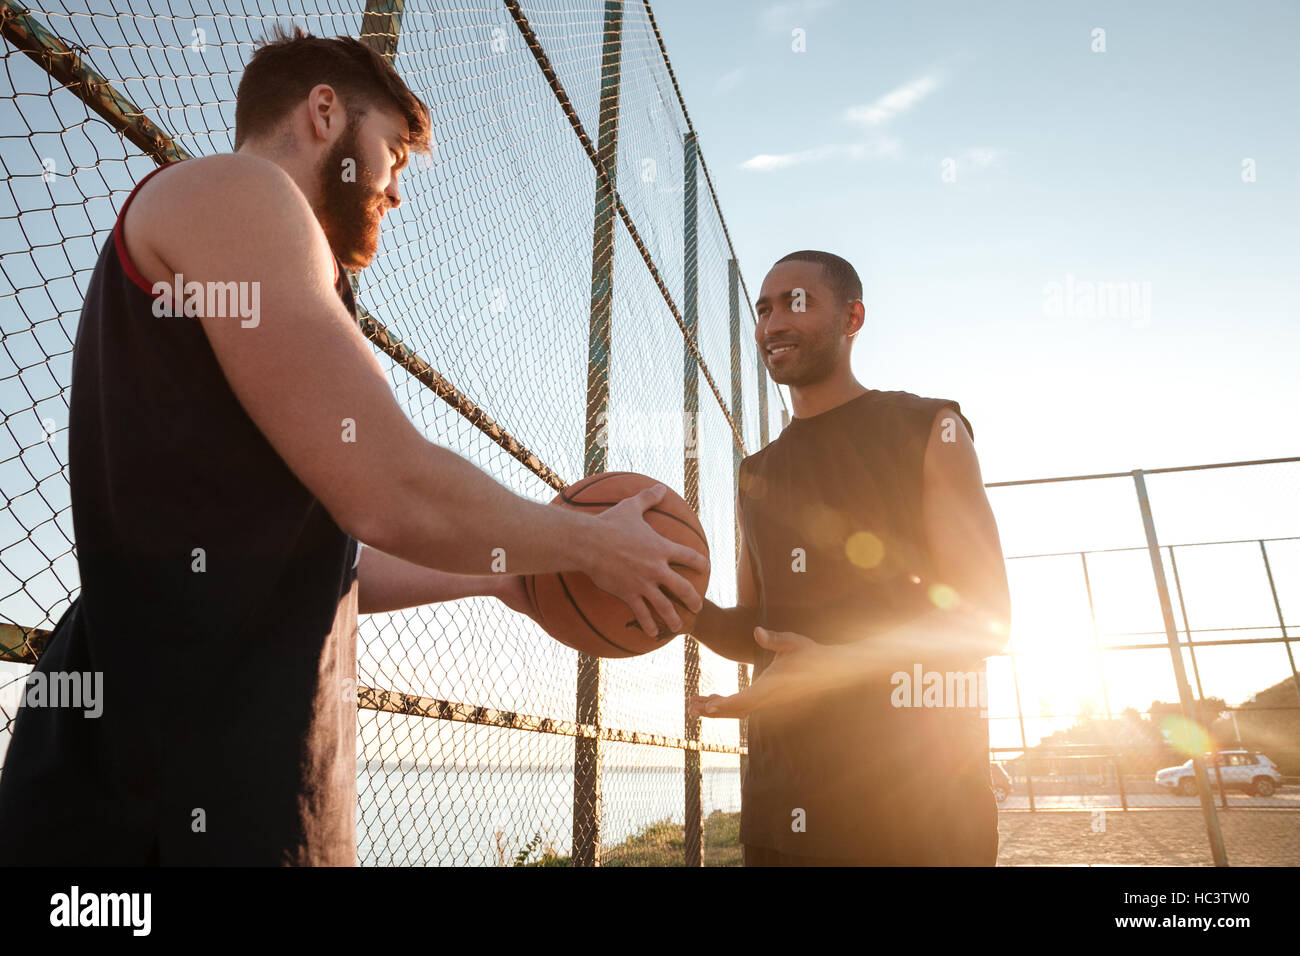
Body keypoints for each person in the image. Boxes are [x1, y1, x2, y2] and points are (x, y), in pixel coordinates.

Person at [0, 27, 706, 866]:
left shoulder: (280, 267)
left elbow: (322, 560)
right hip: (155, 794)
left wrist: (505, 574)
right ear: (324, 112)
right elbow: (389, 486)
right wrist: (590, 541)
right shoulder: (238, 191)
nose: (396, 190)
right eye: (393, 154)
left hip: (250, 785)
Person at [689, 250, 1010, 866]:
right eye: (763, 309)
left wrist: (835, 666)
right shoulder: (755, 474)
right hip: (784, 807)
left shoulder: (929, 429)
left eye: (796, 303)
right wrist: (678, 606)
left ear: (852, 318)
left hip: (922, 806)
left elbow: (986, 616)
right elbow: (760, 632)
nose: (772, 322)